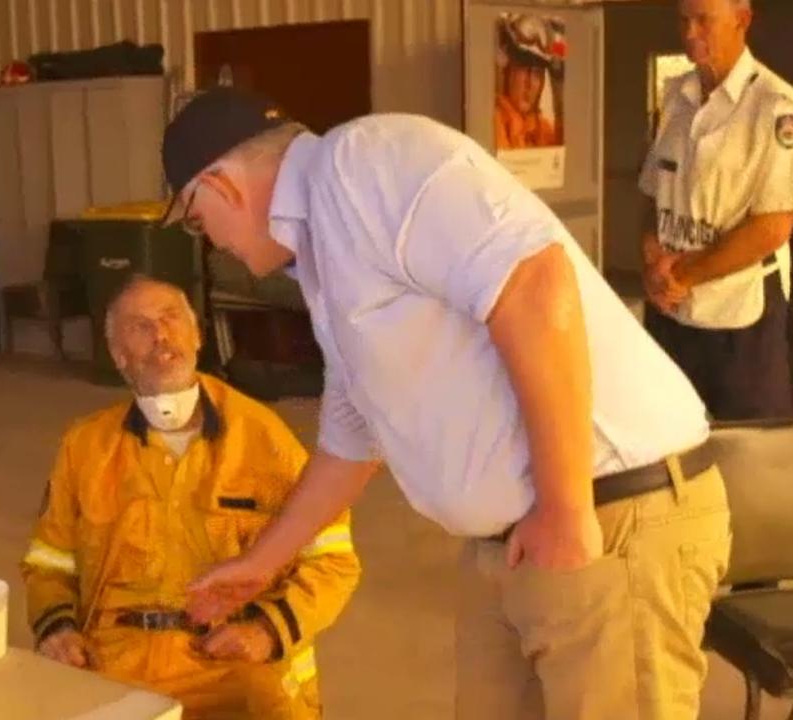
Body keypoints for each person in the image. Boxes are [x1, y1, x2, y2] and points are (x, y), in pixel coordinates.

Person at [160, 87, 730, 720]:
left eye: (195, 218)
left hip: (606, 514)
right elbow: (353, 433)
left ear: (222, 186)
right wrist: (263, 563)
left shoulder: (367, 164)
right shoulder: (322, 252)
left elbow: (534, 284)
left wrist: (566, 510)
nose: (208, 241)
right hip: (516, 541)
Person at [21, 276, 360, 719]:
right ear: (118, 355)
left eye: (170, 319)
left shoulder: (265, 439)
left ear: (197, 334)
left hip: (232, 657)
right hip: (116, 656)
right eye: (140, 327)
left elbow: (333, 560)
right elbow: (48, 563)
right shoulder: (84, 447)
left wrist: (266, 632)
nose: (161, 337)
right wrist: (57, 628)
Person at [640, 0, 793, 420]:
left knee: (745, 457)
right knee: (673, 440)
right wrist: (654, 260)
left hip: (739, 322)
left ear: (742, 21)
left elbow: (773, 225)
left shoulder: (775, 106)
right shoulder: (675, 96)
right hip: (672, 313)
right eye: (683, 20)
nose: (690, 33)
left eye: (703, 21)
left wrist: (682, 275)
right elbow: (653, 191)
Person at [494, 14, 564, 150]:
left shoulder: (543, 129)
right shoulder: (493, 122)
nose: (530, 83)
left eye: (538, 73)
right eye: (524, 69)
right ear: (508, 70)